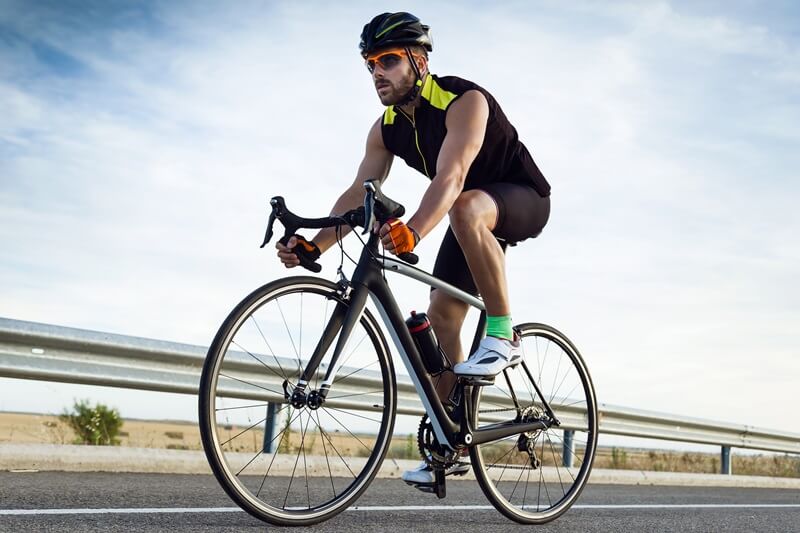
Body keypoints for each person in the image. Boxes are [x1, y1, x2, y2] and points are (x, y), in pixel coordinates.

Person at [276, 12, 551, 488]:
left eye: (388, 60)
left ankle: (504, 333)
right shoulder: (385, 128)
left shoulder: (465, 100)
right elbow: (359, 194)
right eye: (370, 64)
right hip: (466, 213)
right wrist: (312, 243)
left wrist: (416, 231)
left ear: (419, 62)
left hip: (519, 196)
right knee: (442, 313)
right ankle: (451, 441)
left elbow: (453, 176)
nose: (377, 72)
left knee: (465, 207)